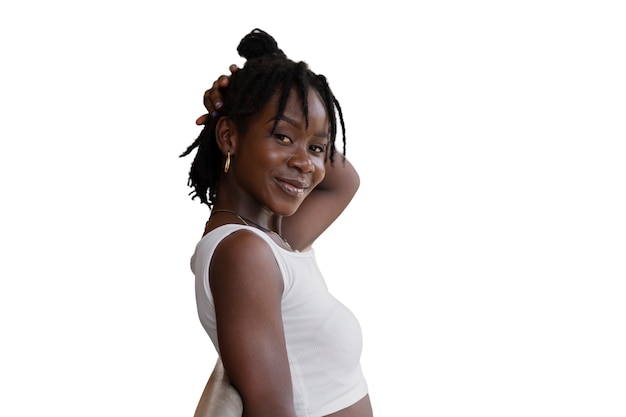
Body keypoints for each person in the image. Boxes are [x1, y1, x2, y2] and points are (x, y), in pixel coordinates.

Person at [181, 28, 373, 417]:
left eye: (316, 147)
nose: (306, 162)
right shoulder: (244, 253)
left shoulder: (272, 241)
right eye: (283, 137)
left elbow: (343, 181)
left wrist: (272, 101)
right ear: (229, 136)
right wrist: (248, 105)